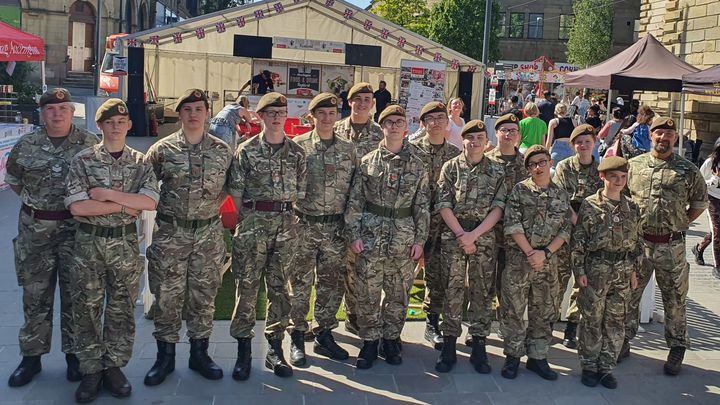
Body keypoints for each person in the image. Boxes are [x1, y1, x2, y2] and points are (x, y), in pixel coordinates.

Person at [64, 99, 159, 402]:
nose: (116, 127)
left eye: (121, 122)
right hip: (88, 245)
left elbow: (149, 202)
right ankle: (91, 370)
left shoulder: (140, 161)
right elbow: (77, 206)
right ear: (99, 125)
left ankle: (114, 367)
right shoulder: (83, 160)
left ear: (129, 125)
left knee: (121, 309)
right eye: (109, 122)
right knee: (87, 309)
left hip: (124, 245)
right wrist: (123, 205)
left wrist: (106, 195)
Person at [5, 88, 98, 388]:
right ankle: (31, 357)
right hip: (35, 232)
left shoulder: (89, 144)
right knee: (35, 296)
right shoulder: (26, 144)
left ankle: (74, 356)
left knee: (76, 295)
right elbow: (15, 180)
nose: (57, 113)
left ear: (72, 112)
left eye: (63, 108)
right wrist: (40, 206)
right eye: (50, 109)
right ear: (42, 113)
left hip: (75, 230)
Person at [143, 89, 233, 385]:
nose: (193, 114)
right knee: (167, 296)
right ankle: (165, 358)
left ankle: (199, 354)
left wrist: (206, 211)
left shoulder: (222, 151)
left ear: (207, 113)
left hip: (207, 234)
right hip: (171, 234)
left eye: (199, 109)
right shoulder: (162, 149)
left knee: (204, 296)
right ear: (180, 114)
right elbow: (144, 186)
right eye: (187, 109)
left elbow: (228, 189)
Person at [228, 92, 307, 379]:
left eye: (281, 113)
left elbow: (300, 193)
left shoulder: (297, 153)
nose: (276, 118)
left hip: (286, 226)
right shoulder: (246, 151)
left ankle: (275, 349)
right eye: (271, 113)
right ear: (260, 116)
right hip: (253, 224)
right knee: (247, 288)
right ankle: (244, 352)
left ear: (287, 116)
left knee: (279, 289)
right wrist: (250, 219)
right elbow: (236, 195)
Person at [346, 105, 429, 369]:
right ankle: (370, 341)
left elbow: (422, 205)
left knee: (398, 293)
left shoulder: (418, 164)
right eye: (389, 122)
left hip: (403, 238)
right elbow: (355, 201)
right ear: (381, 127)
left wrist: (420, 240)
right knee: (367, 292)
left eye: (399, 122)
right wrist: (354, 235)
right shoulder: (367, 161)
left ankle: (391, 339)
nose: (394, 126)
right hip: (371, 237)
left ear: (406, 128)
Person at [624, 117, 708, 376]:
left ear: (675, 138)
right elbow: (622, 198)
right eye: (659, 133)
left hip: (671, 247)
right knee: (629, 294)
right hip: (639, 244)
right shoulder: (633, 166)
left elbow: (699, 203)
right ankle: (623, 339)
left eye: (669, 134)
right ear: (650, 135)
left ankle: (677, 347)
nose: (663, 138)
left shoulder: (687, 170)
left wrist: (679, 222)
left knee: (674, 299)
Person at [286, 93, 355, 367]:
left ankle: (324, 334)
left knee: (330, 284)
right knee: (300, 283)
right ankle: (296, 335)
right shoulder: (298, 146)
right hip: (304, 225)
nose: (327, 118)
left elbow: (355, 190)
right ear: (311, 116)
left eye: (332, 113)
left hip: (335, 228)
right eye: (321, 113)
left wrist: (351, 225)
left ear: (337, 116)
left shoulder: (348, 149)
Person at [434, 118, 507, 374]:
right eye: (470, 138)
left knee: (482, 291)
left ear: (487, 142)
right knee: (452, 290)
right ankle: (449, 346)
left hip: (483, 237)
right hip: (454, 236)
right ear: (462, 140)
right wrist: (461, 234)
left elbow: (499, 207)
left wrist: (474, 235)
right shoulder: (450, 167)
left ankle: (479, 345)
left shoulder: (497, 170)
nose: (475, 142)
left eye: (480, 138)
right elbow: (443, 204)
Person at [501, 145, 571, 381]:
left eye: (542, 162)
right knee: (513, 310)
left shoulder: (561, 194)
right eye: (533, 164)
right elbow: (512, 224)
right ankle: (512, 356)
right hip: (520, 261)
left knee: (543, 311)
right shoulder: (519, 191)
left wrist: (545, 253)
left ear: (550, 163)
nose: (538, 167)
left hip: (548, 263)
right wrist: (531, 253)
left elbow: (565, 229)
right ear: (528, 169)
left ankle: (538, 357)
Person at [571, 156, 640, 389]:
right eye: (614, 177)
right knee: (591, 319)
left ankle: (606, 367)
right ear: (603, 177)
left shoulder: (632, 207)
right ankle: (589, 366)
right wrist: (579, 270)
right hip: (596, 270)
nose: (619, 181)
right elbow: (579, 241)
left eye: (622, 177)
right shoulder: (590, 205)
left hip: (622, 271)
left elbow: (636, 243)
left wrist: (633, 271)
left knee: (615, 321)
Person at [334, 82, 384, 335]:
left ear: (373, 104)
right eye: (358, 99)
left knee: (359, 265)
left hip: (366, 211)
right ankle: (324, 320)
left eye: (367, 99)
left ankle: (354, 314)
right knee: (333, 265)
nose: (362, 104)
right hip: (334, 207)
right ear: (349, 102)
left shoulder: (380, 134)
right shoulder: (335, 130)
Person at [410, 101, 461, 350]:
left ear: (447, 122)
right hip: (412, 224)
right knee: (399, 277)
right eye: (431, 118)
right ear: (423, 123)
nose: (436, 122)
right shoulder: (411, 151)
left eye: (441, 117)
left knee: (438, 276)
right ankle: (389, 329)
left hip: (443, 225)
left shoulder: (455, 154)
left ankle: (432, 322)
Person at [552, 124, 604, 349]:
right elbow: (560, 199)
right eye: (579, 142)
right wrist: (577, 222)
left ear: (595, 143)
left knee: (582, 281)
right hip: (566, 230)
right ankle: (548, 323)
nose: (583, 146)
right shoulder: (564, 167)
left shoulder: (600, 170)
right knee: (558, 279)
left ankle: (572, 326)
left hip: (590, 233)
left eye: (587, 142)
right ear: (573, 145)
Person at [486, 113, 529, 342]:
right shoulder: (486, 161)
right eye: (504, 130)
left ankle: (506, 325)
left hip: (515, 236)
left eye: (513, 131)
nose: (509, 134)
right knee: (483, 281)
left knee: (510, 285)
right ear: (496, 133)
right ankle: (480, 328)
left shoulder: (526, 164)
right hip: (488, 232)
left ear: (518, 135)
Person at [695, 138, 720, 279]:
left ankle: (699, 248)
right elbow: (698, 181)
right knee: (717, 231)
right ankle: (718, 265)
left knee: (716, 231)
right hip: (712, 199)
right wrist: (714, 180)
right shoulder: (711, 162)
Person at [546, 103, 576, 167]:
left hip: (557, 149)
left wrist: (545, 153)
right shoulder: (573, 121)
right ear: (566, 111)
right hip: (570, 149)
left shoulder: (553, 122)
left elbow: (549, 141)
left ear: (556, 111)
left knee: (554, 170)